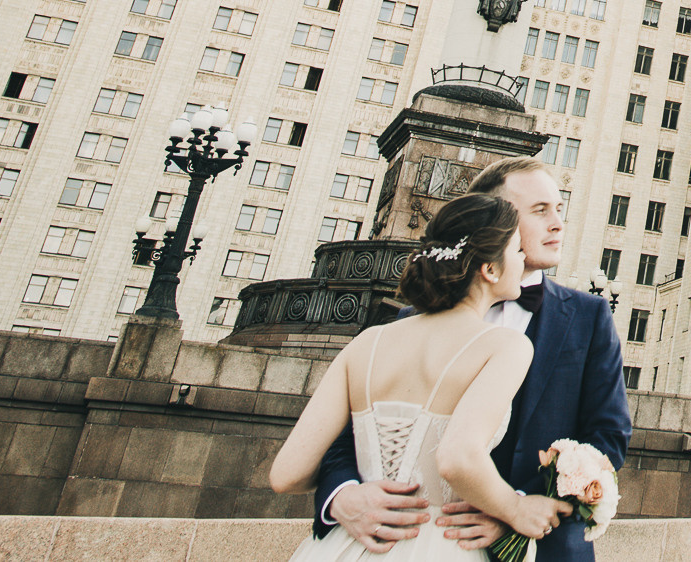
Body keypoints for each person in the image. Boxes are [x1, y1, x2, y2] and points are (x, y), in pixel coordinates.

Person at [311, 157, 631, 556]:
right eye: (539, 210)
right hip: (417, 542)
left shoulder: (589, 316)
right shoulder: (409, 322)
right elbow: (347, 436)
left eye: (559, 209)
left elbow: (607, 438)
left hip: (541, 548)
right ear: (494, 220)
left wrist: (514, 511)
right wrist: (342, 496)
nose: (557, 224)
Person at [269, 191, 571, 561]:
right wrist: (515, 508)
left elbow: (286, 474)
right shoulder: (505, 346)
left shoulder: (367, 342)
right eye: (516, 249)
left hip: (347, 545)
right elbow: (457, 458)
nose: (524, 259)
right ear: (490, 269)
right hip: (439, 544)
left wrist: (343, 496)